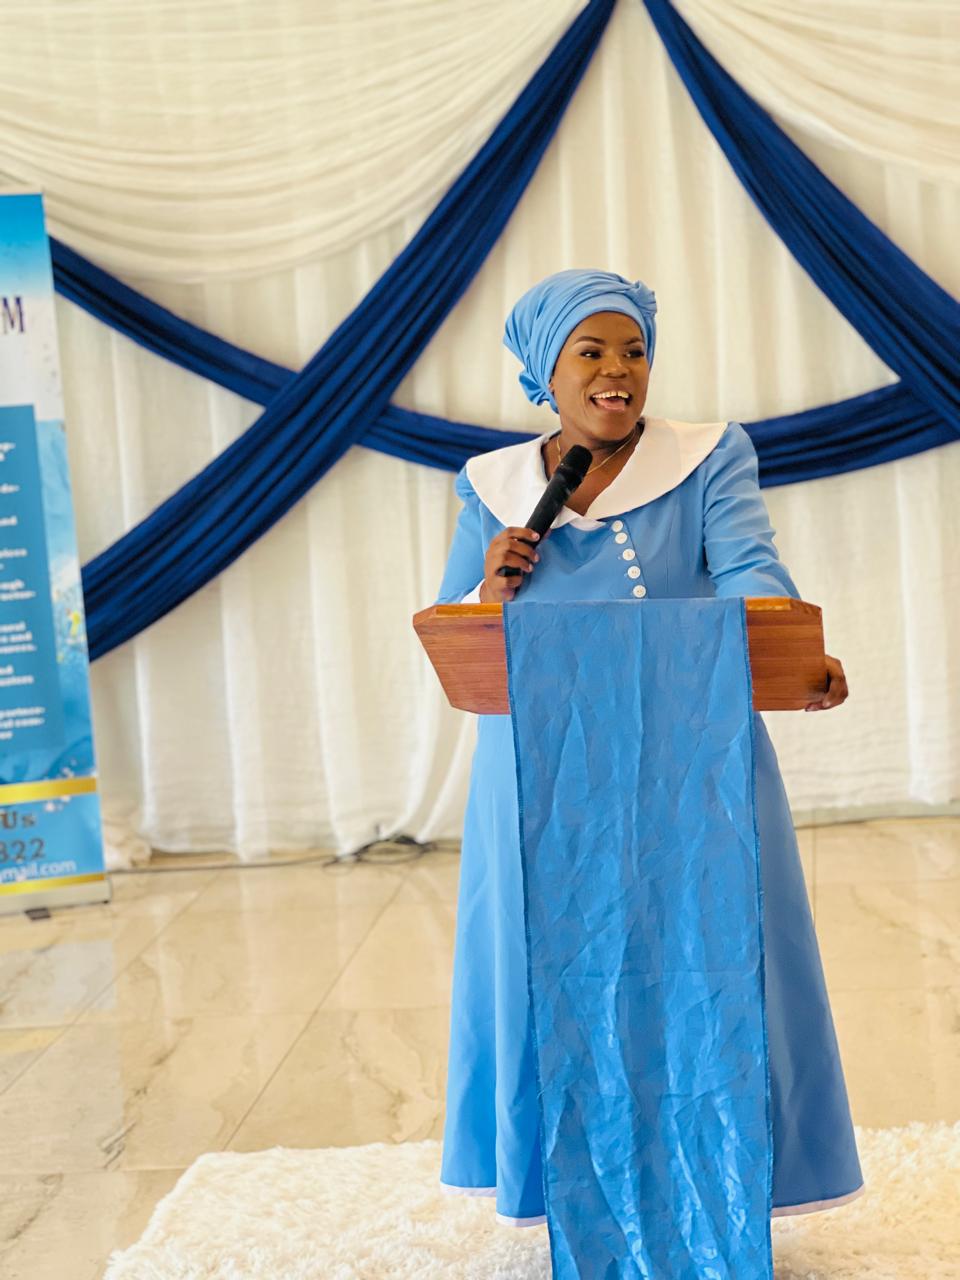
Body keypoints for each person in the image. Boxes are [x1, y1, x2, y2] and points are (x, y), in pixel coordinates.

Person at [435, 268, 864, 1228]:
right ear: (546, 372)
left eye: (633, 351)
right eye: (591, 352)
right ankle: (565, 1186)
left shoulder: (708, 456)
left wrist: (792, 650)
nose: (618, 371)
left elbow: (749, 569)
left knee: (707, 961)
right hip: (541, 772)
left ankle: (720, 1177)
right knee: (557, 966)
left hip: (691, 755)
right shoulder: (492, 486)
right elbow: (453, 626)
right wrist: (488, 589)